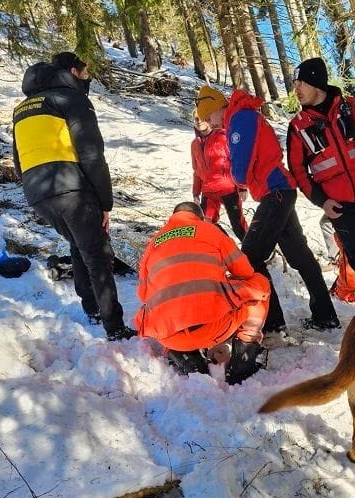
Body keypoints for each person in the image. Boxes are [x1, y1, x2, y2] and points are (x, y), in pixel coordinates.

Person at [12, 51, 136, 341]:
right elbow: (92, 154)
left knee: (80, 246)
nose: (87, 78)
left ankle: (92, 309)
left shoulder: (22, 108)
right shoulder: (72, 99)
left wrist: (34, 189)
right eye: (85, 72)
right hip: (71, 188)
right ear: (72, 71)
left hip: (37, 193)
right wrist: (105, 202)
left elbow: (18, 159)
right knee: (98, 255)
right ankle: (115, 328)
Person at [196, 85, 340, 333]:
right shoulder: (240, 117)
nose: (210, 123)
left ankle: (272, 322)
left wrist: (239, 179)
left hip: (276, 193)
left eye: (210, 117)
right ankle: (324, 315)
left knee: (250, 257)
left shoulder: (240, 117)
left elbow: (241, 163)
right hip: (278, 191)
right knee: (300, 256)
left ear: (218, 106)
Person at [286, 57, 355, 306]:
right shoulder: (298, 127)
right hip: (339, 206)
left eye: (301, 83)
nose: (296, 90)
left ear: (316, 83)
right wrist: (322, 202)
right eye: (294, 84)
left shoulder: (351, 107)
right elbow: (298, 171)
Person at [135, 202, 270, 384]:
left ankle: (183, 354)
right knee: (259, 285)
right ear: (200, 217)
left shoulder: (153, 243)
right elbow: (245, 271)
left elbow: (144, 295)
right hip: (214, 328)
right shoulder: (209, 230)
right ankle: (244, 356)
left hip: (168, 335)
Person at [190, 110, 248, 240]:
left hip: (228, 188)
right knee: (208, 224)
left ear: (208, 119)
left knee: (238, 226)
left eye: (201, 117)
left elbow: (237, 161)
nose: (198, 121)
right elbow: (196, 171)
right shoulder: (194, 145)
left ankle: (254, 253)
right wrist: (195, 193)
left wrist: (242, 186)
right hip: (208, 191)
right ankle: (228, 248)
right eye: (195, 119)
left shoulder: (223, 136)